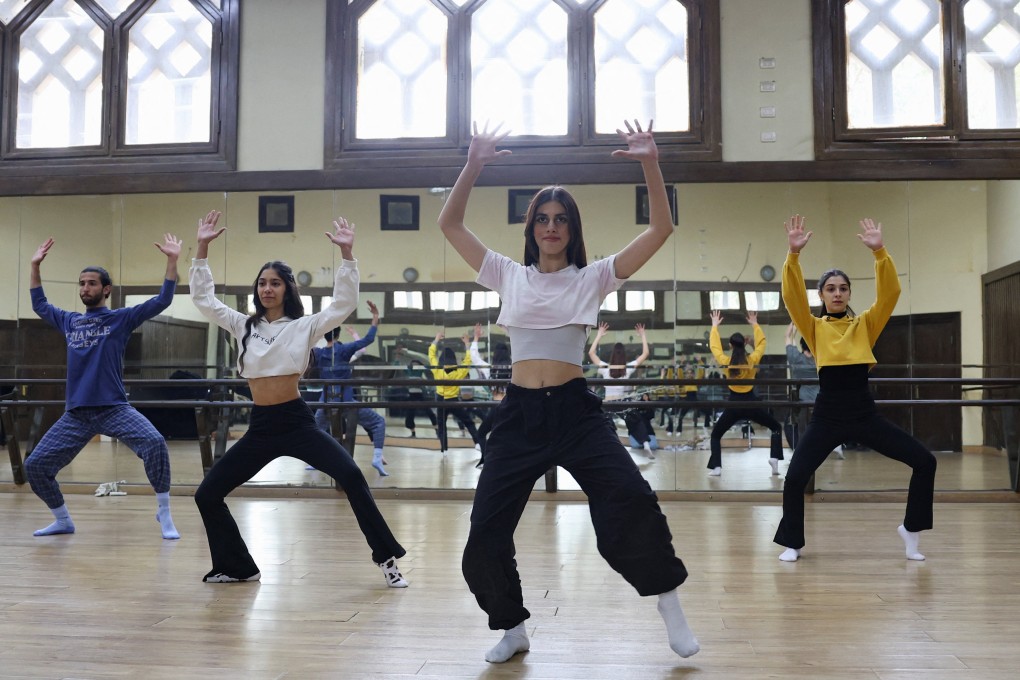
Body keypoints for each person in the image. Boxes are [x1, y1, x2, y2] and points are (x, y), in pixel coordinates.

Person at [439, 120, 699, 663]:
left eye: (560, 220)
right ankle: (511, 628)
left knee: (629, 499)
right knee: (486, 529)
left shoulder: (594, 276)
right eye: (542, 218)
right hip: (518, 416)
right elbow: (450, 222)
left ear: (571, 228)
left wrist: (651, 161)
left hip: (577, 414)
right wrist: (474, 163)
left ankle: (667, 598)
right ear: (531, 227)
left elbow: (660, 229)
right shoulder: (506, 273)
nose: (550, 227)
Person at [189, 210, 407, 586]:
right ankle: (239, 566)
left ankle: (386, 558)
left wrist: (348, 257)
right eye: (261, 283)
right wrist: (202, 249)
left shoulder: (304, 326)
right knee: (208, 494)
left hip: (295, 422)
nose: (267, 289)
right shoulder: (244, 325)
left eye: (275, 283)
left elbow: (342, 305)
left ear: (288, 288)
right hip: (260, 426)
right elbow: (205, 301)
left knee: (352, 476)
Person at [775, 214, 937, 562]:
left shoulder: (865, 324)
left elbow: (891, 293)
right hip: (828, 415)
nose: (837, 293)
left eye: (843, 288)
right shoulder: (814, 327)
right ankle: (793, 542)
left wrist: (880, 252)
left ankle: (911, 530)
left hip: (864, 413)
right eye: (831, 288)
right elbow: (791, 297)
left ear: (849, 293)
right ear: (821, 294)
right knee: (795, 477)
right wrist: (793, 255)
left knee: (925, 461)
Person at [25, 234, 182, 540]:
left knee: (155, 443)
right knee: (36, 466)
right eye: (82, 283)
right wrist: (34, 265)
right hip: (77, 413)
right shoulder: (69, 321)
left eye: (92, 283)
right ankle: (63, 520)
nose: (86, 288)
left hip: (113, 407)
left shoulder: (120, 319)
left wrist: (173, 260)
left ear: (106, 289)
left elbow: (162, 300)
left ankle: (163, 510)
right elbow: (39, 304)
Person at [311, 301, 389, 476]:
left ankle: (314, 460)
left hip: (326, 403)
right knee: (378, 422)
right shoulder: (345, 350)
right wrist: (375, 317)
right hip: (346, 403)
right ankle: (377, 457)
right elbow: (368, 340)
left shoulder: (319, 353)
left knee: (315, 430)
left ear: (326, 336)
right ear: (338, 335)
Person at [706, 310, 784, 477]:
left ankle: (717, 467)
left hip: (733, 404)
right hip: (751, 402)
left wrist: (714, 327)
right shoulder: (752, 360)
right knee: (776, 427)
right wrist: (755, 324)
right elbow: (762, 344)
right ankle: (775, 460)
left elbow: (715, 348)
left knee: (715, 435)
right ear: (744, 344)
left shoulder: (727, 362)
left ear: (731, 346)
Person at [428, 330, 481, 453]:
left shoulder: (437, 370)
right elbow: (468, 360)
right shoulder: (458, 372)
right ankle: (477, 442)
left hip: (440, 400)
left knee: (442, 426)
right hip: (454, 401)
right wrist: (467, 344)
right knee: (468, 422)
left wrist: (436, 339)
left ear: (441, 359)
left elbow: (431, 355)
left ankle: (444, 449)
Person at [469, 324, 512, 468]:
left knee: (482, 433)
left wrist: (476, 337)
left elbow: (474, 357)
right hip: (511, 407)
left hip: (495, 407)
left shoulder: (491, 370)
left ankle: (486, 459)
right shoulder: (514, 369)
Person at [588, 322, 649, 402]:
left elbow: (591, 353)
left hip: (608, 406)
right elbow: (645, 353)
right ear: (624, 356)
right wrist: (643, 335)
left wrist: (599, 335)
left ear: (612, 355)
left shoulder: (606, 369)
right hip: (620, 406)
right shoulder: (627, 370)